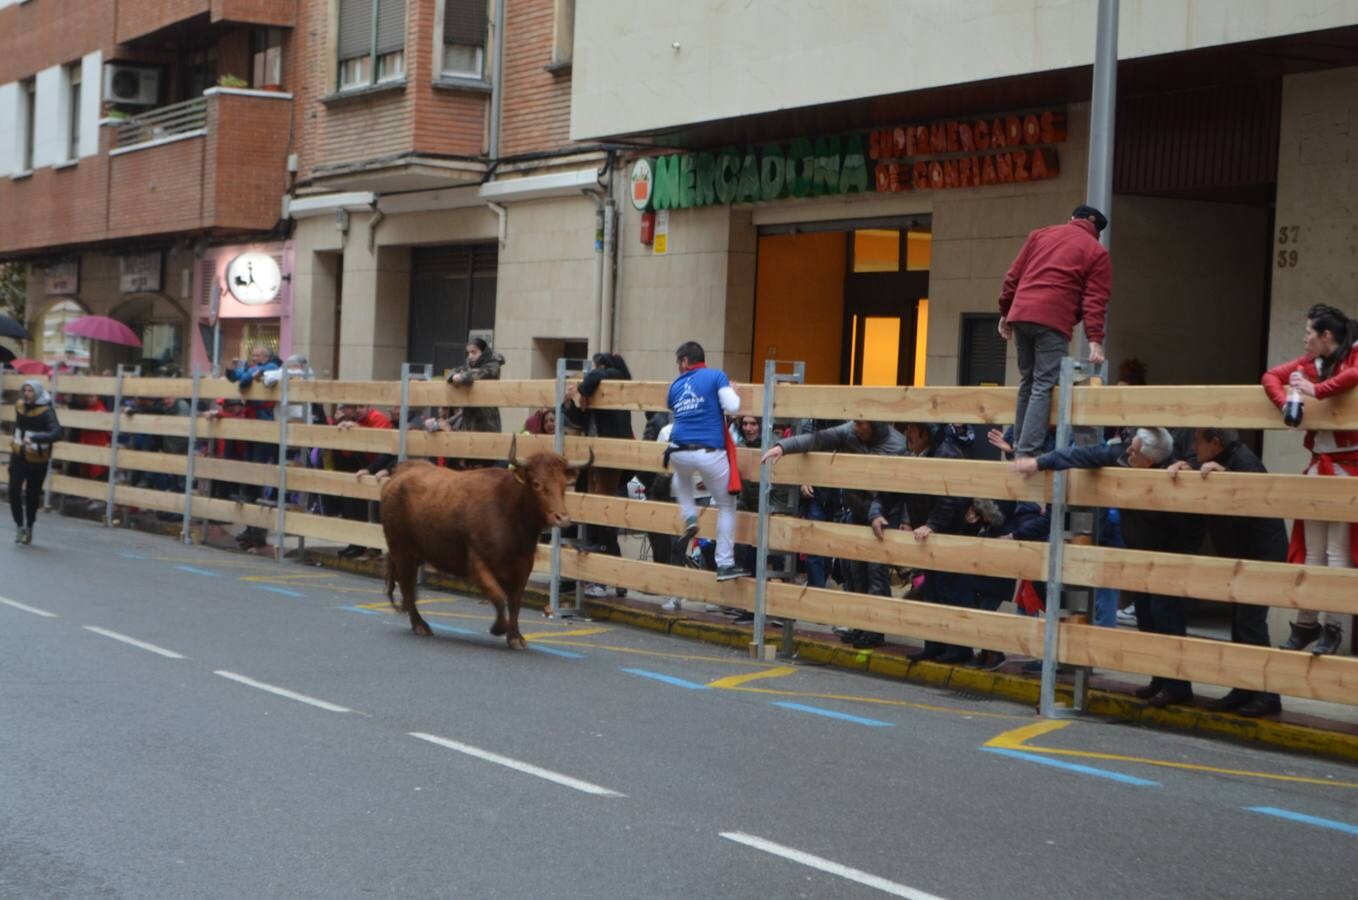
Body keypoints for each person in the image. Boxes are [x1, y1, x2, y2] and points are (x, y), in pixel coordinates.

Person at [1014, 427, 1205, 707]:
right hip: (1138, 555)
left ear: (1149, 460)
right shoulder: (1125, 457)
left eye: (1134, 449)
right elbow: (1085, 454)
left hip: (1166, 559)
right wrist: (1039, 462)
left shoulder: (1176, 473)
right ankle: (1160, 680)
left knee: (1168, 621)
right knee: (1148, 619)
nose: (1127, 450)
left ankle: (1178, 687)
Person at [1262, 302, 1358, 656]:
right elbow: (1270, 376)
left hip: (1350, 469)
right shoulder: (1309, 365)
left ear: (1326, 336)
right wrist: (1291, 405)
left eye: (1309, 333)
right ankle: (1306, 624)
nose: (1304, 339)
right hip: (1321, 466)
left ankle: (1333, 628)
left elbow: (1352, 377)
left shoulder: (1353, 356)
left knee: (1338, 553)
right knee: (1313, 551)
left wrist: (1314, 391)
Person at [1167, 428, 1285, 716]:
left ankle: (1268, 695)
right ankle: (1243, 688)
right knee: (1239, 624)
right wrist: (1187, 465)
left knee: (1251, 624)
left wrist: (1229, 478)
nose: (1194, 448)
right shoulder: (1221, 458)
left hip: (1259, 557)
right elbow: (1205, 467)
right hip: (1240, 558)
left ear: (1215, 443)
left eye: (1198, 443)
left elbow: (1257, 497)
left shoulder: (1244, 462)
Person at [762, 419, 908, 647]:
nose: (856, 427)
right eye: (856, 423)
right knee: (854, 571)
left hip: (884, 514)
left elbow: (903, 489)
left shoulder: (897, 445)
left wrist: (904, 521)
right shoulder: (851, 431)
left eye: (861, 424)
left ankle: (876, 630)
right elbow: (817, 439)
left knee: (876, 573)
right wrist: (783, 446)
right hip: (858, 510)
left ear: (874, 425)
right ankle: (860, 626)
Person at [998, 204, 1112, 458]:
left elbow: (1012, 277)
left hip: (1021, 314)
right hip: (1052, 320)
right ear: (1097, 230)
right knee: (1043, 384)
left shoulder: (1040, 235)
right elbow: (1095, 300)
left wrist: (1006, 312)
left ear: (1072, 219)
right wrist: (1094, 340)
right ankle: (1027, 453)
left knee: (1027, 380)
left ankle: (1018, 442)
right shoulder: (1096, 252)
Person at [665, 341, 746, 582]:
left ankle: (689, 516)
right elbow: (733, 407)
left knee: (682, 477)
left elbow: (672, 405)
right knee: (726, 505)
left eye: (678, 363)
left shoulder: (676, 384)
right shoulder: (715, 376)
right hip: (708, 450)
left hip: (677, 449)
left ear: (685, 362)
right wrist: (734, 391)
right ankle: (724, 563)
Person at [563, 353, 636, 599]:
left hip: (610, 456)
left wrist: (582, 388)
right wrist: (571, 400)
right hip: (594, 458)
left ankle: (607, 579)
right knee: (597, 518)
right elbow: (578, 420)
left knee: (601, 515)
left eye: (597, 367)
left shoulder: (615, 379)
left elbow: (603, 374)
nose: (594, 372)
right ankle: (615, 579)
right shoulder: (598, 391)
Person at [333, 402, 396, 558]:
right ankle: (357, 542)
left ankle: (375, 546)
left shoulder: (378, 419)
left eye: (361, 407)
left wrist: (371, 469)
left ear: (369, 407)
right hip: (370, 466)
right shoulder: (355, 422)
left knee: (376, 506)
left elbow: (386, 451)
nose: (357, 411)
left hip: (385, 465)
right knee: (353, 500)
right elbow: (346, 453)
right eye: (354, 408)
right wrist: (343, 428)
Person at [8, 380, 61, 544]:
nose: (26, 393)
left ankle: (29, 526)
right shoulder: (19, 406)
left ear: (37, 393)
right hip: (18, 456)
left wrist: (35, 438)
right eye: (24, 390)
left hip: (37, 460)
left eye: (30, 391)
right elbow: (18, 426)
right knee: (13, 491)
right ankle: (19, 527)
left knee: (32, 496)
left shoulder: (46, 411)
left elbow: (57, 433)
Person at [446, 338, 504, 434]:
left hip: (487, 419)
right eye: (469, 353)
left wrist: (462, 376)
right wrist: (453, 376)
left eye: (474, 352)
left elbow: (483, 373)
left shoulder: (493, 364)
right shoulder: (469, 365)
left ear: (483, 352)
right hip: (469, 417)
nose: (470, 356)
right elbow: (452, 372)